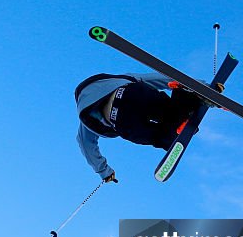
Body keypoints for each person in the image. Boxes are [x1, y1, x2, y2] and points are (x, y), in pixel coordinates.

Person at [75, 72, 213, 180]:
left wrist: (104, 172)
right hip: (132, 93)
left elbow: (86, 146)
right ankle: (186, 100)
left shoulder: (85, 119)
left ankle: (175, 130)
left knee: (158, 137)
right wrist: (199, 85)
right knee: (168, 108)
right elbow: (158, 78)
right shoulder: (120, 78)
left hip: (122, 120)